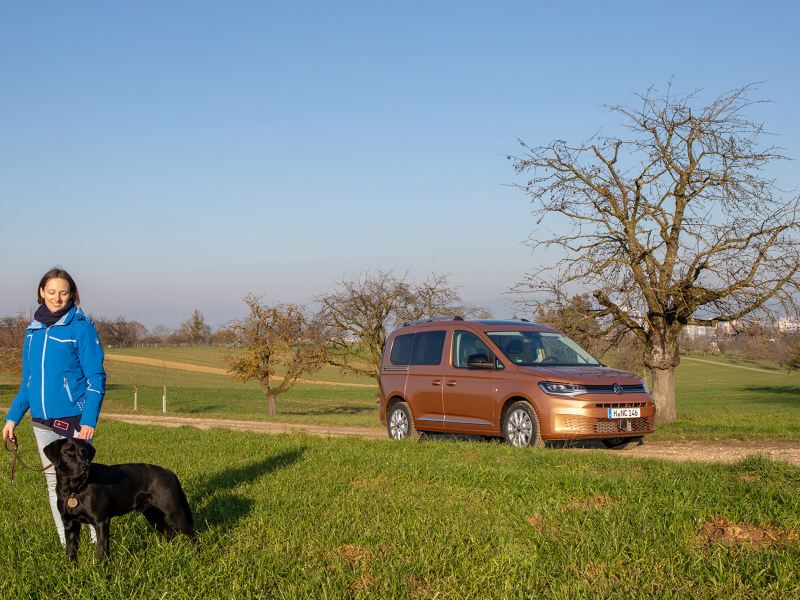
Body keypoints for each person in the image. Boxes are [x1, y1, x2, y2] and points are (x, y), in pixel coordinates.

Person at [2, 267, 106, 547]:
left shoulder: (81, 327)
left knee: (84, 480)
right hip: (42, 422)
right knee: (54, 483)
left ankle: (99, 543)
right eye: (51, 292)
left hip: (75, 418)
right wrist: (12, 418)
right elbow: (28, 381)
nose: (57, 298)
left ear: (72, 294)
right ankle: (67, 545)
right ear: (41, 292)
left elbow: (96, 378)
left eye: (63, 292)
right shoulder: (32, 331)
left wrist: (89, 419)